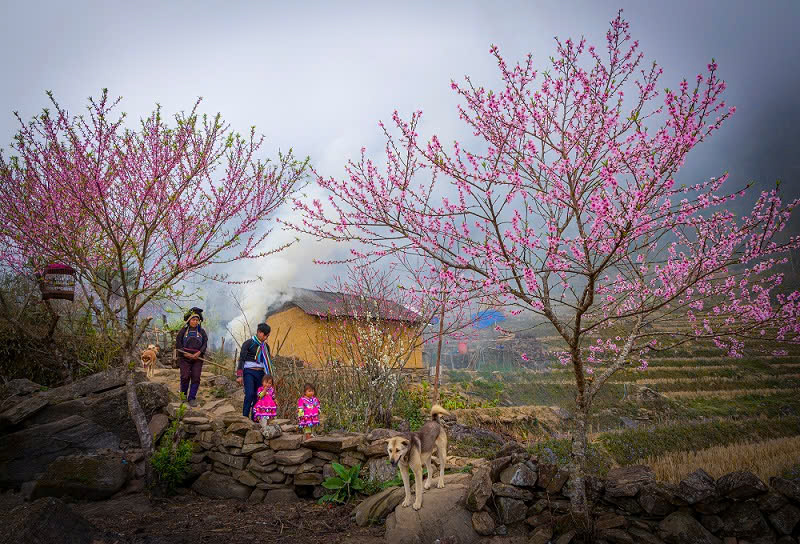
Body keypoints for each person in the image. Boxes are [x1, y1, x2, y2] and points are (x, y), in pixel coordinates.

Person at [237, 323, 274, 419]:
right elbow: (242, 359)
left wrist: (269, 377)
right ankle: (245, 417)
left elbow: (267, 362)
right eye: (264, 335)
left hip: (261, 374)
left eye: (267, 336)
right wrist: (239, 375)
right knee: (249, 394)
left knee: (258, 396)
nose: (265, 338)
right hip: (249, 372)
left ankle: (255, 417)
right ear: (259, 332)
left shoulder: (266, 347)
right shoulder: (248, 343)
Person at [176, 307, 208, 407]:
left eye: (196, 320)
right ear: (189, 320)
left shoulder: (202, 332)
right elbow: (178, 344)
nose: (195, 322)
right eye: (193, 320)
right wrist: (185, 353)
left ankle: (192, 398)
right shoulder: (183, 331)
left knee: (196, 377)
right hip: (184, 357)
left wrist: (199, 353)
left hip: (197, 358)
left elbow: (205, 344)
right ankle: (183, 396)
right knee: (185, 376)